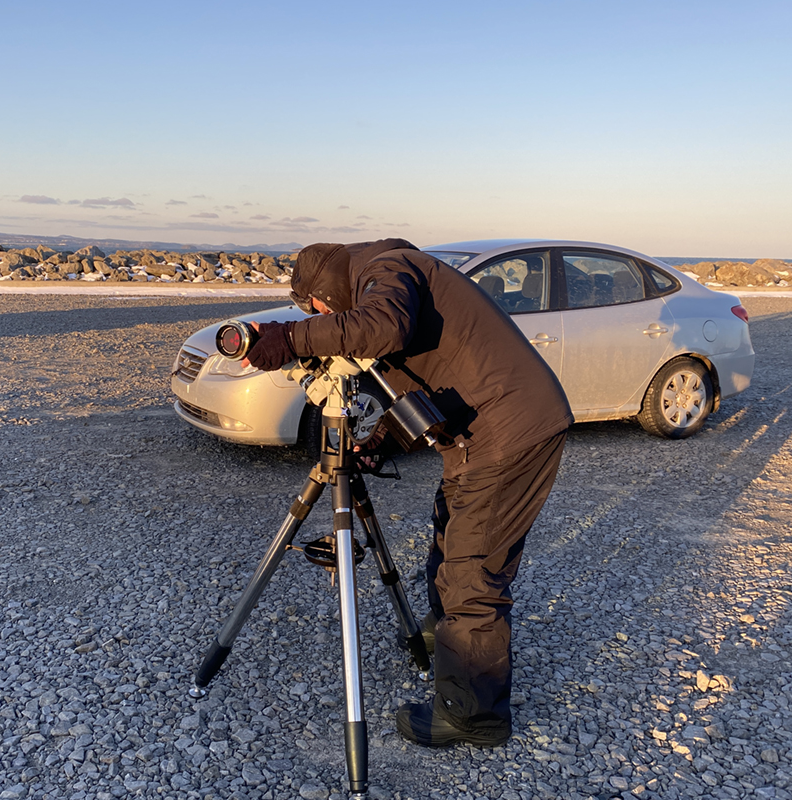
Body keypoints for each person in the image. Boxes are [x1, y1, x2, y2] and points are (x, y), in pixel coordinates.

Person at [242, 239, 572, 747]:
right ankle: (446, 635)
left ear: (328, 284)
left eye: (320, 308)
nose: (324, 317)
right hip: (477, 434)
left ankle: (473, 716)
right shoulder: (391, 278)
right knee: (450, 529)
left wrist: (289, 337)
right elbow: (419, 385)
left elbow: (383, 327)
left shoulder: (386, 269)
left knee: (472, 569)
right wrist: (379, 442)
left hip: (508, 432)